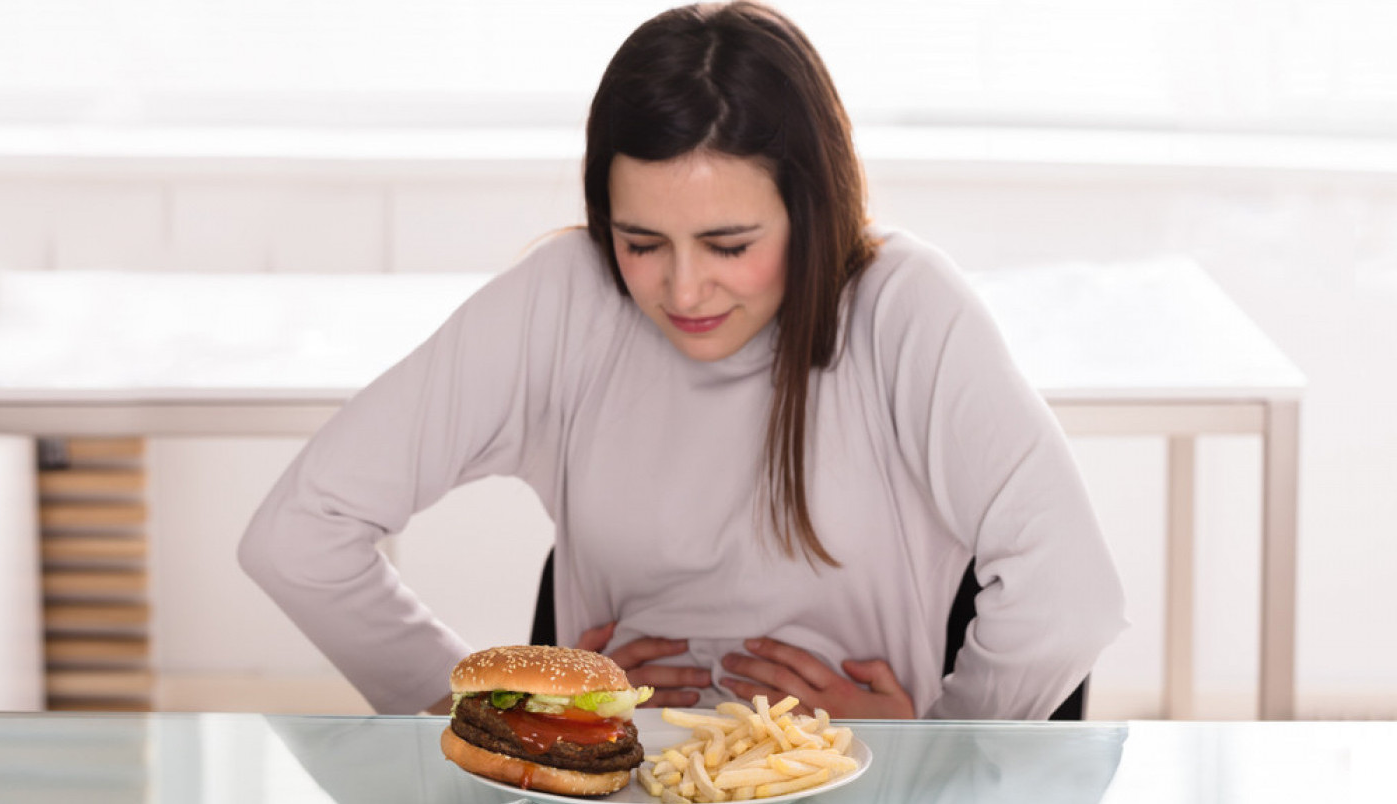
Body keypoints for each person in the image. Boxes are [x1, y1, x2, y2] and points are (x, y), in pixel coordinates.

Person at [239, 0, 1126, 720]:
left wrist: (933, 753)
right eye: (642, 242)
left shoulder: (903, 305)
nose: (685, 291)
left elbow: (1070, 598)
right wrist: (493, 715)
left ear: (809, 213)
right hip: (625, 780)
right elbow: (299, 535)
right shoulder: (568, 295)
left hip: (852, 788)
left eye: (729, 244)